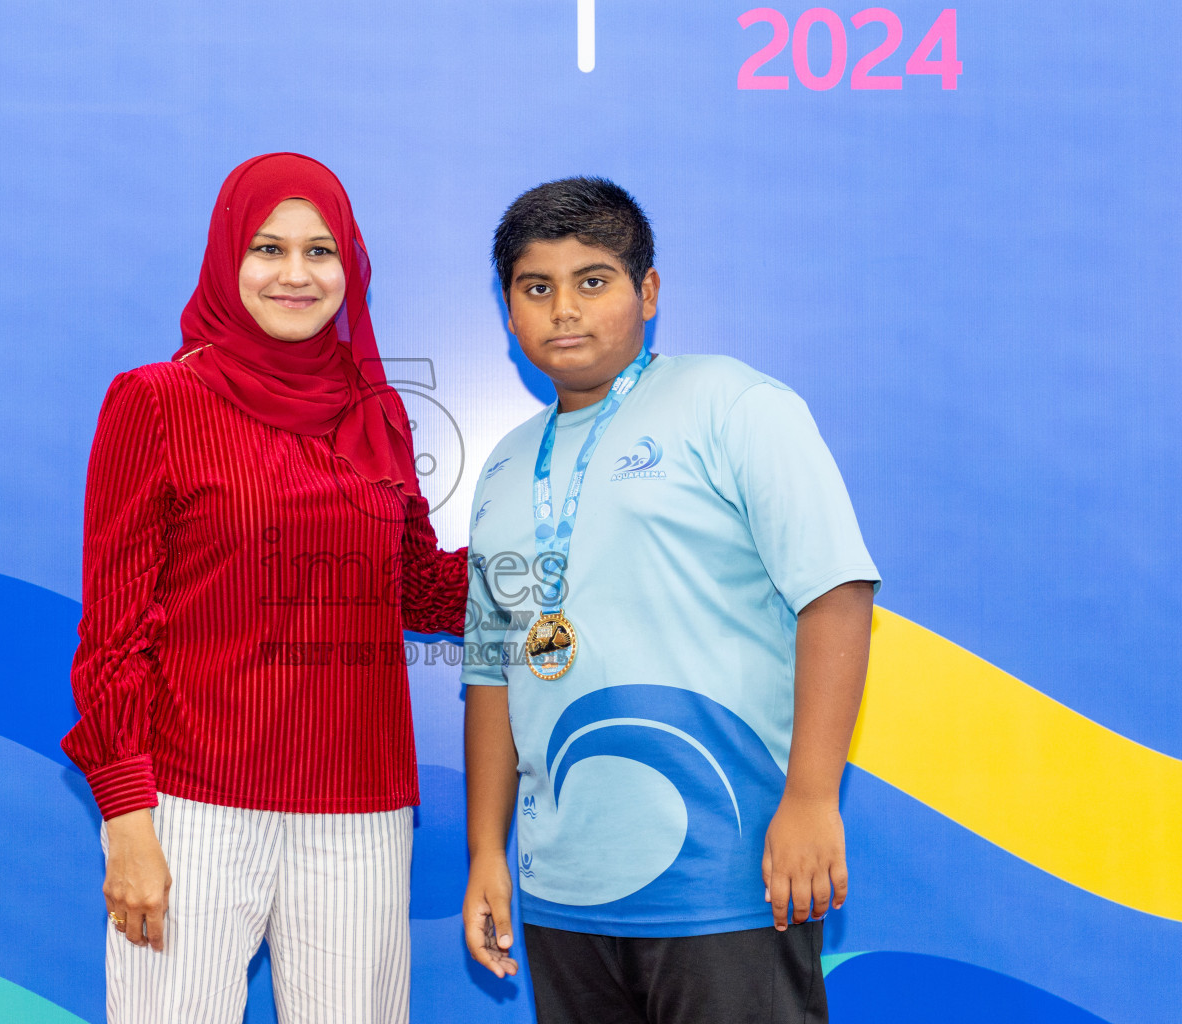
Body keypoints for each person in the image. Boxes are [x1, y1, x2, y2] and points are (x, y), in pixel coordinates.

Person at [62, 152, 468, 1024]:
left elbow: (421, 593)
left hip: (360, 807)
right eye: (268, 248)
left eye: (320, 251)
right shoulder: (156, 402)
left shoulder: (379, 409)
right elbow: (114, 633)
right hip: (192, 803)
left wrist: (575, 556)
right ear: (225, 259)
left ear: (349, 268)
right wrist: (128, 817)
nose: (295, 274)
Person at [461, 177, 879, 1024]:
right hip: (563, 892)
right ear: (510, 313)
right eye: (537, 288)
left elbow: (835, 594)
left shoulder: (735, 404)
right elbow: (494, 670)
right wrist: (484, 853)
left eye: (594, 280)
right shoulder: (503, 466)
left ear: (647, 293)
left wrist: (810, 798)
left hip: (727, 874)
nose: (565, 310)